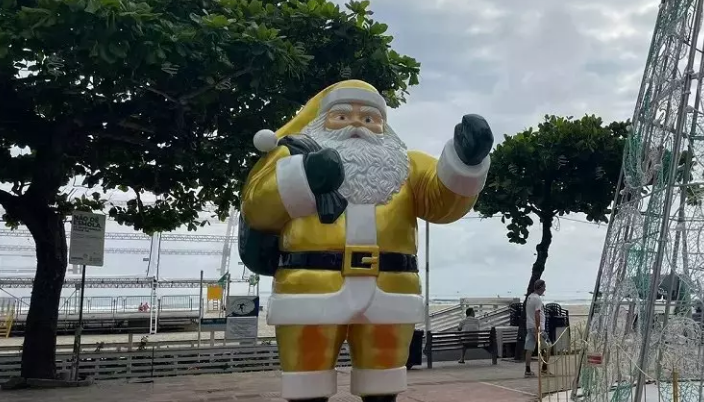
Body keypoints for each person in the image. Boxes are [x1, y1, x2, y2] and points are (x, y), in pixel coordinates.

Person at [240, 80, 494, 402]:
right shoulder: (291, 158)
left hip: (391, 288)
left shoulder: (407, 165)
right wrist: (305, 177)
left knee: (383, 386)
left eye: (370, 118)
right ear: (321, 121)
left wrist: (466, 161)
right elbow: (257, 209)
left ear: (384, 126)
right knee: (307, 385)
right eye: (342, 116)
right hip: (310, 286)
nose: (358, 123)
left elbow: (442, 203)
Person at [524, 279, 551, 378]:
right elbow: (537, 313)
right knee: (548, 346)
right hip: (537, 328)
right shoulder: (537, 299)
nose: (545, 289)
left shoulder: (530, 297)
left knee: (529, 348)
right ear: (540, 287)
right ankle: (544, 368)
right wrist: (538, 328)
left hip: (529, 326)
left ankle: (527, 370)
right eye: (544, 287)